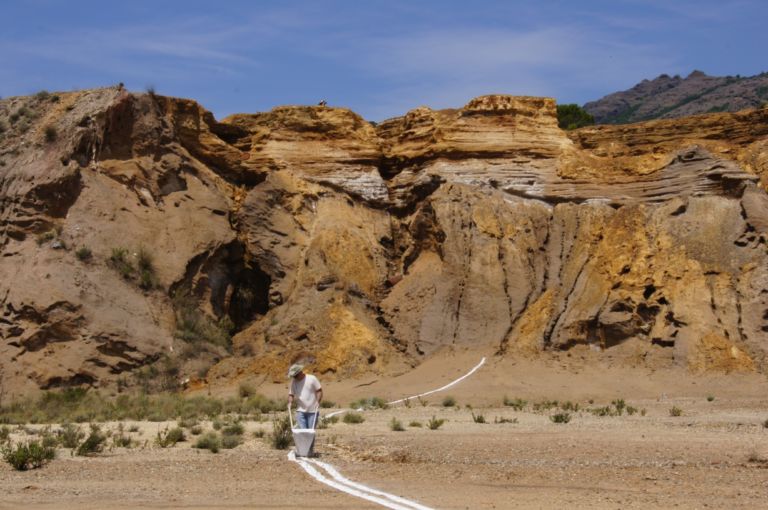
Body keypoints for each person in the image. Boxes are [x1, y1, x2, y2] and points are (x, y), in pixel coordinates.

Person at [287, 363, 323, 434]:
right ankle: (303, 445)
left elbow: (319, 391)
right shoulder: (294, 382)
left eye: (295, 375)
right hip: (300, 411)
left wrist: (318, 401)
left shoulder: (312, 378)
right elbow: (291, 394)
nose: (294, 377)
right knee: (303, 432)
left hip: (312, 411)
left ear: (300, 372)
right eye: (293, 376)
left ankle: (309, 445)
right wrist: (290, 402)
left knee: (310, 432)